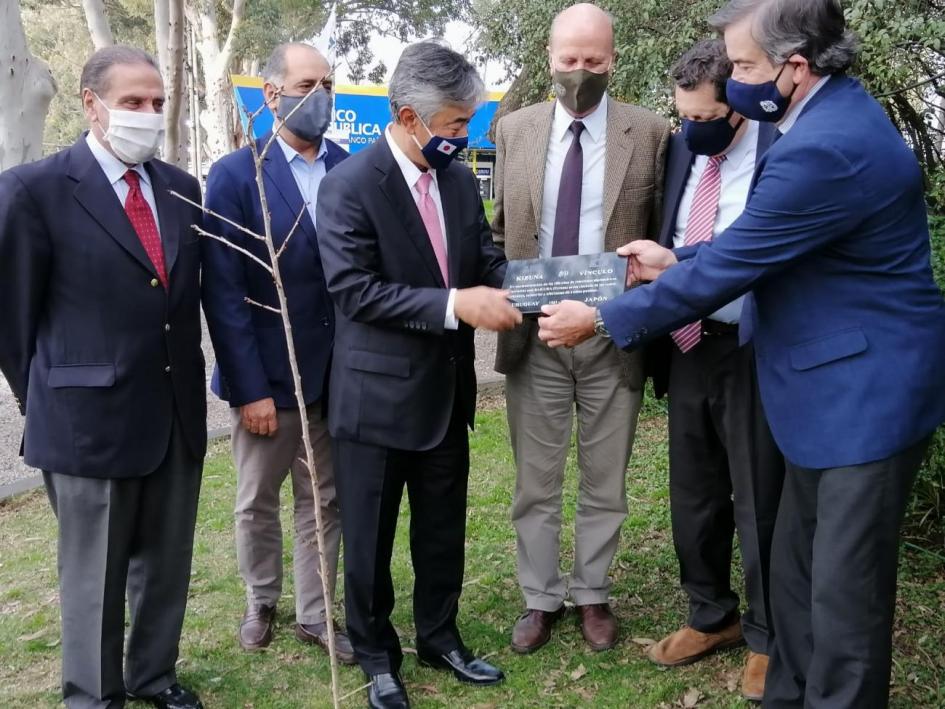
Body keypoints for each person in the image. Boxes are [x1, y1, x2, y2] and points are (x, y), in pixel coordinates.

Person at [536, 1, 945, 707]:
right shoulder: (818, 119)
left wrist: (601, 317)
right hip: (824, 395)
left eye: (746, 67)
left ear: (795, 66)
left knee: (841, 603)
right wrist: (676, 258)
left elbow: (743, 261)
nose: (735, 84)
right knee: (793, 581)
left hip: (862, 400)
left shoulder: (825, 144)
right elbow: (759, 241)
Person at [316, 41, 522, 709]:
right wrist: (452, 305)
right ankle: (376, 654)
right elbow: (353, 291)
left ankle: (440, 635)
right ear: (410, 117)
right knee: (368, 542)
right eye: (457, 125)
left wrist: (539, 285)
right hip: (373, 402)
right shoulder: (349, 184)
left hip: (444, 393)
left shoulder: (459, 179)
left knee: (442, 529)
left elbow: (484, 260)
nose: (467, 137)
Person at [0, 46, 207, 709]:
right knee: (94, 575)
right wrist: (48, 399)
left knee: (166, 560)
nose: (147, 115)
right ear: (92, 105)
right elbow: (12, 318)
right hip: (86, 423)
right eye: (132, 103)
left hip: (174, 410)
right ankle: (94, 695)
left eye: (156, 103)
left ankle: (154, 674)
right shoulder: (34, 189)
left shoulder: (181, 188)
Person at [491, 2, 669, 654]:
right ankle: (540, 596)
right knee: (534, 480)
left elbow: (664, 235)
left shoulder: (651, 134)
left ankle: (592, 591)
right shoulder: (512, 130)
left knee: (605, 478)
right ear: (549, 58)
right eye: (569, 59)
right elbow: (499, 229)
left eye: (593, 60)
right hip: (535, 337)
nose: (580, 71)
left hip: (609, 336)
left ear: (612, 59)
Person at [201, 42, 354, 663]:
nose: (319, 95)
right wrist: (249, 387)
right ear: (272, 95)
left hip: (333, 374)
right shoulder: (237, 175)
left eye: (327, 83)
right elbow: (225, 289)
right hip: (267, 373)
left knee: (325, 500)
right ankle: (261, 599)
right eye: (305, 84)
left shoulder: (348, 166)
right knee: (257, 498)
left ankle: (317, 614)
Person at [643, 39, 784, 702]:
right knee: (693, 492)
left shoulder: (781, 153)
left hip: (754, 348)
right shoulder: (680, 150)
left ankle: (765, 635)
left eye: (703, 118)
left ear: (738, 107)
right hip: (688, 342)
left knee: (757, 496)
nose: (690, 129)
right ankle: (711, 613)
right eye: (682, 117)